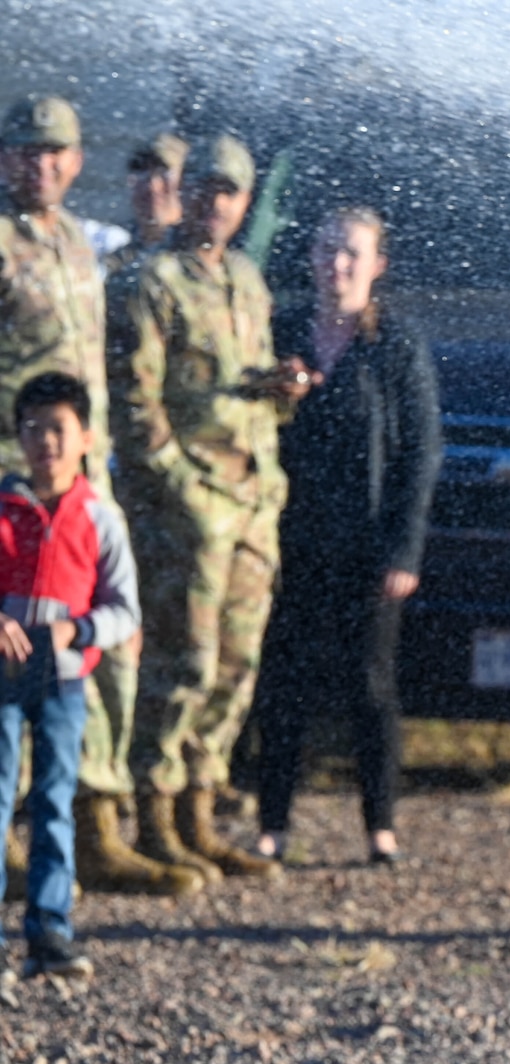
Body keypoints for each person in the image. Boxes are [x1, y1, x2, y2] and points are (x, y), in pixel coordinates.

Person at [0, 96, 198, 898]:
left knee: (101, 647)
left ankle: (97, 826)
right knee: (14, 653)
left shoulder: (83, 244)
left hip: (85, 485)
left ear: (78, 161)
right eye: (23, 151)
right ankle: (13, 839)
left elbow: (162, 254)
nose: (39, 164)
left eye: (54, 152)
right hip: (15, 486)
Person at [107, 133, 315, 884]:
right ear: (183, 191)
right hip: (187, 509)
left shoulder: (247, 282)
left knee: (236, 665)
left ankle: (201, 810)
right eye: (203, 188)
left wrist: (281, 387)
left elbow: (239, 384)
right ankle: (155, 816)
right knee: (182, 662)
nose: (214, 203)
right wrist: (181, 489)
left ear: (245, 204)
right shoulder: (151, 282)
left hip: (253, 501)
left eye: (228, 193)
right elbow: (134, 410)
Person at [253, 207, 440, 866]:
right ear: (310, 257)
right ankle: (272, 823)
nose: (338, 265)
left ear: (377, 266)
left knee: (372, 685)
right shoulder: (280, 331)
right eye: (328, 250)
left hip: (369, 543)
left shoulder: (394, 342)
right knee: (284, 683)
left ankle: (379, 826)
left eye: (352, 254)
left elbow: (421, 451)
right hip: (291, 540)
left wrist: (405, 548)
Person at [0, 373, 142, 984]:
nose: (46, 442)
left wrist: (76, 632)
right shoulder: (3, 509)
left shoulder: (98, 517)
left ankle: (50, 931)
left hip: (61, 681)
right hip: (2, 678)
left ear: (85, 437)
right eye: (32, 429)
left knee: (55, 801)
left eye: (58, 428)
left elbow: (124, 609)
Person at [85, 132, 189, 277]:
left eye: (163, 173)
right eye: (142, 173)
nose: (152, 186)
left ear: (186, 183)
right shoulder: (116, 260)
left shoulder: (198, 257)